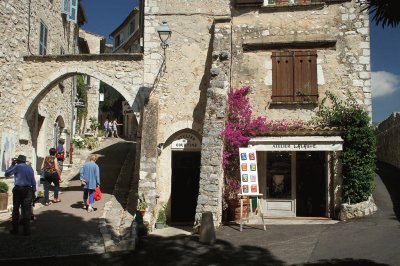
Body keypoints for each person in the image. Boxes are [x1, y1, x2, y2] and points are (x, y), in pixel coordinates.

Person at [5, 155, 36, 236]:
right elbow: (33, 181)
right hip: (28, 189)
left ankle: (15, 229)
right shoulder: (30, 168)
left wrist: (12, 165)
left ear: (18, 161)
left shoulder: (17, 167)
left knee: (15, 209)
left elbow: (7, 174)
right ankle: (26, 230)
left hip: (18, 189)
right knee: (26, 210)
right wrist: (34, 191)